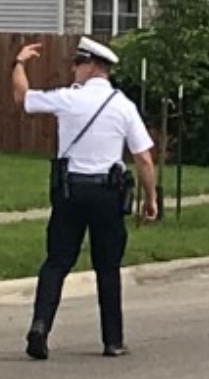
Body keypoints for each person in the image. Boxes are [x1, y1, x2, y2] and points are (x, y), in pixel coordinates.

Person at [11, 36, 158, 360]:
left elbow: (22, 97)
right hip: (108, 193)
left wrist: (19, 63)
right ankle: (113, 340)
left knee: (57, 262)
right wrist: (151, 199)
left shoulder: (68, 99)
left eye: (78, 63)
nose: (74, 69)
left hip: (70, 191)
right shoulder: (123, 106)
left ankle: (40, 326)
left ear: (92, 66)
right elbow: (144, 159)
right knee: (108, 267)